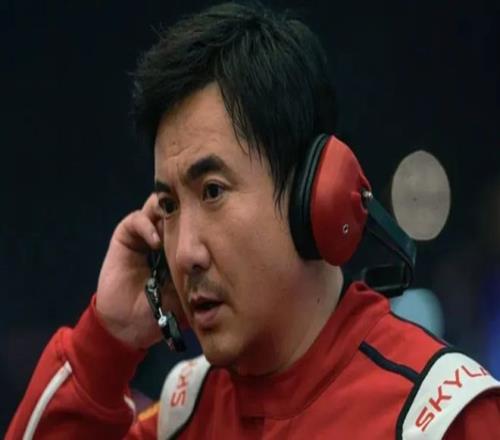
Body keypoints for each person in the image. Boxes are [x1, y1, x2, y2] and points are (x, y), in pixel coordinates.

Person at [7, 2, 500, 439]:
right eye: (169, 206)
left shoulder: (445, 421)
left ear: (318, 196)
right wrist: (105, 342)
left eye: (213, 191)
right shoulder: (179, 418)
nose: (184, 254)